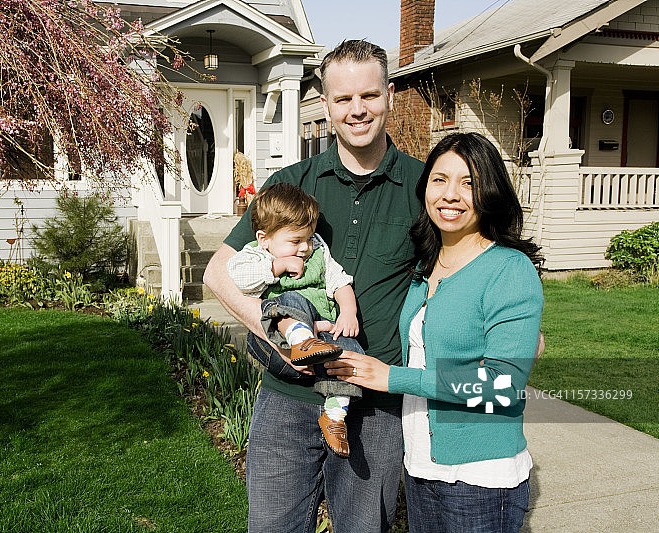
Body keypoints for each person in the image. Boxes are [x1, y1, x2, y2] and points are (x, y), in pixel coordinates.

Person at [203, 39, 424, 532]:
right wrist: (279, 339)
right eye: (343, 99)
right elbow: (218, 272)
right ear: (324, 104)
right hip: (288, 399)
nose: (357, 110)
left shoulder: (422, 186)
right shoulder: (292, 185)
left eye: (368, 95)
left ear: (389, 95)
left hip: (374, 405)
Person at [326, 132, 544, 533]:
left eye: (469, 183)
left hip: (480, 477)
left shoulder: (508, 268)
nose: (451, 194)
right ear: (424, 187)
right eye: (440, 179)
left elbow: (501, 385)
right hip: (421, 468)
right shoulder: (424, 266)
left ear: (489, 191)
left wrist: (392, 377)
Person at [227, 182, 364, 458]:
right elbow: (238, 279)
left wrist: (348, 312)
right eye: (295, 241)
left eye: (309, 238)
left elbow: (339, 281)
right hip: (285, 335)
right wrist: (277, 266)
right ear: (265, 239)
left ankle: (335, 416)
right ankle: (302, 342)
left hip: (324, 333)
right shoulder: (256, 254)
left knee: (351, 357)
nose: (304, 248)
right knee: (291, 302)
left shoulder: (319, 252)